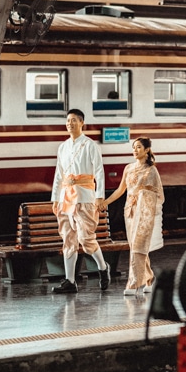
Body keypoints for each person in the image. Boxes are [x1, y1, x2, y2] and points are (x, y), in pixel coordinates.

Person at [50, 108, 110, 293]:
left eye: (74, 120)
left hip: (85, 196)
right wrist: (55, 198)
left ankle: (102, 267)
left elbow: (99, 171)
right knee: (68, 239)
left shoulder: (91, 145)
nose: (70, 123)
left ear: (82, 123)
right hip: (66, 198)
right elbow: (59, 175)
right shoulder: (63, 147)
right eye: (68, 120)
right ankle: (70, 281)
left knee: (86, 238)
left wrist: (100, 196)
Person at [100, 137, 164, 295]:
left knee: (138, 246)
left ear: (147, 150)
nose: (135, 150)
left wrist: (144, 196)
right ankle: (149, 279)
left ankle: (134, 284)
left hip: (145, 213)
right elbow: (121, 190)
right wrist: (106, 202)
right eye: (134, 147)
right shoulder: (128, 168)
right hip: (129, 211)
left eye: (139, 147)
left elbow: (158, 194)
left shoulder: (151, 170)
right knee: (137, 246)